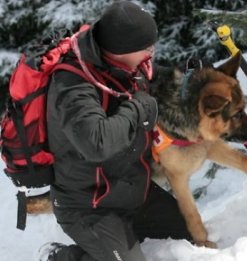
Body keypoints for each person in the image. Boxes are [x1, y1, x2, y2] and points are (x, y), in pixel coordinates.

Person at [40, 2, 191, 260]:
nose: (151, 52)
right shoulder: (72, 85)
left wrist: (189, 76)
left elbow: (152, 78)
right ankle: (60, 257)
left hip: (132, 191)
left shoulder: (124, 63)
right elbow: (95, 143)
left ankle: (119, 242)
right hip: (89, 205)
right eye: (146, 47)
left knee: (191, 233)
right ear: (121, 50)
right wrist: (138, 110)